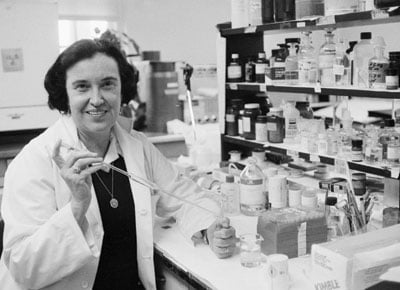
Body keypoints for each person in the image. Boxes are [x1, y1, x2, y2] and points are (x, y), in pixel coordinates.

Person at [0, 39, 236, 290]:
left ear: (122, 90)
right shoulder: (35, 160)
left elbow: (183, 194)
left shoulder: (137, 146)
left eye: (107, 85)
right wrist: (77, 207)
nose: (97, 99)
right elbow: (23, 267)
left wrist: (210, 227)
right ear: (64, 96)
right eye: (82, 87)